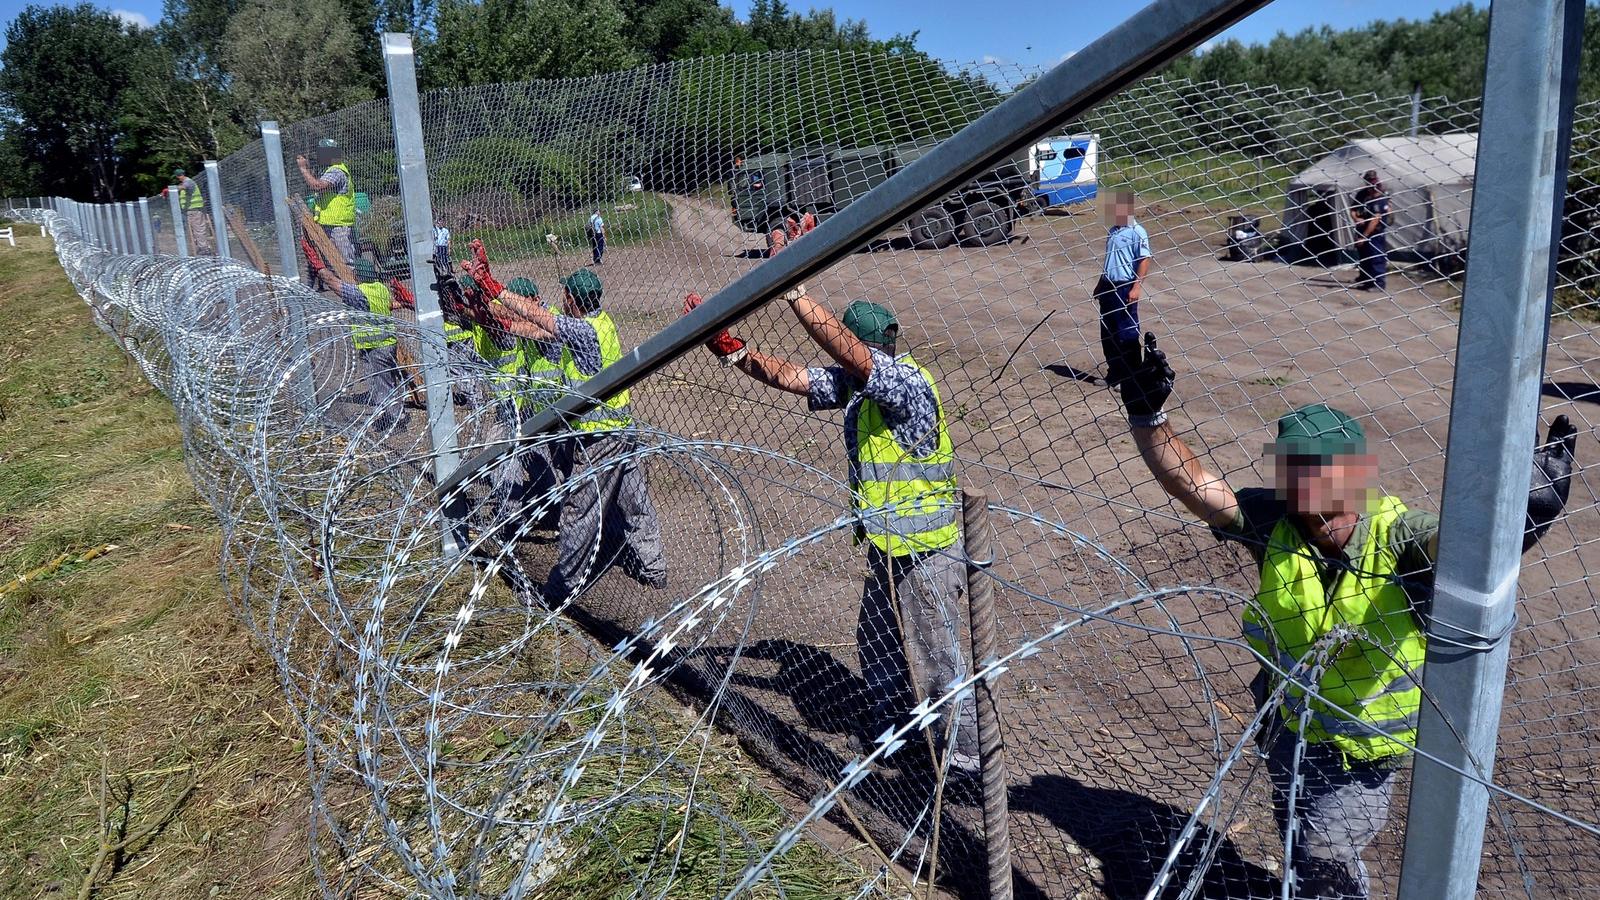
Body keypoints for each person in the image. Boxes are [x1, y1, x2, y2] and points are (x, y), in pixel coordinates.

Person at [1116, 332, 1579, 899]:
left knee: (1324, 857)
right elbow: (1193, 486)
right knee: (1297, 832)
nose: (1306, 479)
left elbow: (1457, 545)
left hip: (1360, 747)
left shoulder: (1399, 536)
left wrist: (1515, 516)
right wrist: (1148, 415)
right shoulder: (1277, 522)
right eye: (1295, 466)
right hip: (1287, 719)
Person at [683, 285, 979, 773]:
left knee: (937, 657)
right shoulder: (857, 385)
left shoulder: (904, 384)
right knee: (877, 641)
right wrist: (733, 352)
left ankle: (965, 758)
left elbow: (845, 356)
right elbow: (793, 377)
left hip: (927, 548)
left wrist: (793, 290)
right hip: (888, 544)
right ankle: (896, 730)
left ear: (859, 347)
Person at [466, 248, 665, 602]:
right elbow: (538, 329)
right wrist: (501, 317)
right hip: (620, 426)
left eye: (565, 295)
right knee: (635, 499)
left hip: (599, 436)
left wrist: (494, 288)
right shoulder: (601, 323)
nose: (562, 298)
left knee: (579, 512)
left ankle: (560, 590)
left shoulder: (583, 331)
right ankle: (654, 566)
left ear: (572, 299)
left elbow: (543, 320)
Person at [302, 240, 407, 433]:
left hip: (375, 346)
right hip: (388, 342)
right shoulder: (380, 288)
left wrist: (318, 266)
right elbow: (391, 305)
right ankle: (394, 414)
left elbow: (333, 283)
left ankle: (394, 420)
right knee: (388, 381)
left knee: (380, 385)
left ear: (358, 274)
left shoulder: (360, 294)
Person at [1094, 190, 1152, 385]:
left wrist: (1136, 287)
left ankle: (1131, 377)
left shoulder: (1137, 232)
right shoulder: (1113, 230)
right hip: (1108, 287)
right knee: (1108, 332)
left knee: (1125, 332)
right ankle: (1115, 374)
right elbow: (1109, 262)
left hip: (1124, 287)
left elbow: (1144, 260)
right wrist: (1100, 285)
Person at [297, 138, 357, 284]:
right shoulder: (331, 170)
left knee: (345, 264)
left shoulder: (336, 171)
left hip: (338, 226)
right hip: (330, 224)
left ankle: (354, 294)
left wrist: (303, 169)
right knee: (333, 264)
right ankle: (346, 293)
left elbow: (317, 186)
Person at [1352, 170, 1390, 291]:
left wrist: (1364, 236)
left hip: (1374, 232)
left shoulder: (1381, 197)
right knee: (1364, 257)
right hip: (1362, 228)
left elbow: (1375, 220)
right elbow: (1353, 209)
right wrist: (1356, 219)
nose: (1371, 188)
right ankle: (1367, 281)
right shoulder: (1363, 194)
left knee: (1376, 257)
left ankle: (1379, 283)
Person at [174, 169, 213, 255]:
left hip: (195, 210)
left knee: (199, 230)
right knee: (196, 230)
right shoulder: (185, 183)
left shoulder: (188, 182)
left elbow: (184, 187)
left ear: (178, 176)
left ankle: (204, 249)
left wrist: (171, 189)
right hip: (191, 211)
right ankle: (202, 247)